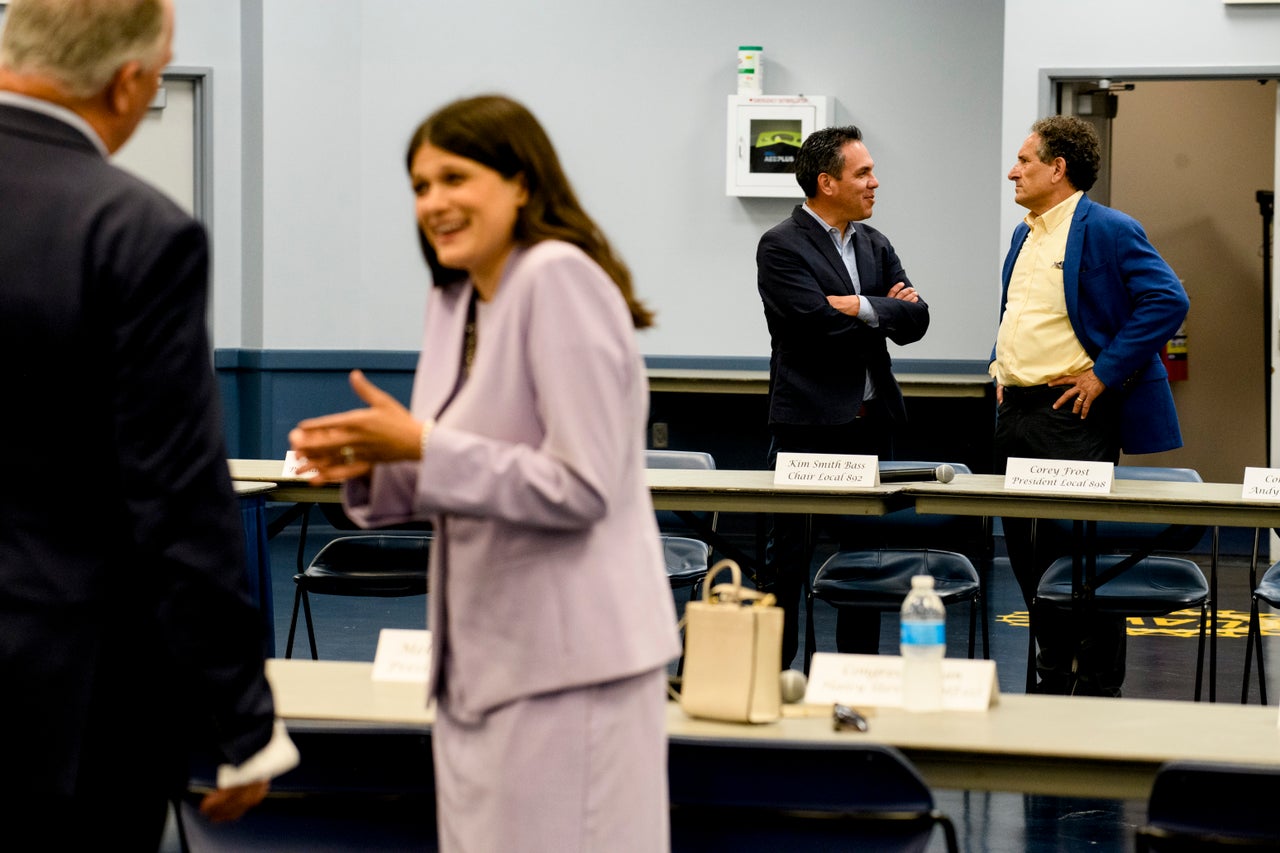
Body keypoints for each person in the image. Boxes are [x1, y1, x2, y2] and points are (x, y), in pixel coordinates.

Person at [289, 94, 681, 853]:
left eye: (453, 178)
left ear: (521, 182)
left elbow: (583, 485)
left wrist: (420, 444)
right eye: (419, 185)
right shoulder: (455, 299)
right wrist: (374, 461)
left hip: (571, 667)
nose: (432, 202)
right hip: (483, 662)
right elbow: (453, 465)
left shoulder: (558, 277)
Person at [0, 0, 298, 846]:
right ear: (128, 83)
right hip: (61, 704)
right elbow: (174, 497)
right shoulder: (134, 231)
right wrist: (240, 717)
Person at [991, 115, 1190, 696]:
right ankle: (1051, 678)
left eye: (1024, 161)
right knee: (1028, 558)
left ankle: (1099, 686)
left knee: (1078, 558)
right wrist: (1000, 368)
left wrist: (1103, 374)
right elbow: (1021, 314)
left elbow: (1167, 299)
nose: (1013, 171)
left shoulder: (1108, 228)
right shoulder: (1024, 234)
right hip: (1016, 412)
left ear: (1058, 168)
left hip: (1069, 416)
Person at [756, 125, 930, 668]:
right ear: (827, 182)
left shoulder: (875, 243)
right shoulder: (781, 244)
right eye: (864, 173)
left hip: (871, 423)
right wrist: (882, 307)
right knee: (787, 563)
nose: (876, 183)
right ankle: (774, 674)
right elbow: (813, 325)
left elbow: (918, 320)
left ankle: (858, 676)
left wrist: (858, 306)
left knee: (869, 563)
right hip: (808, 425)